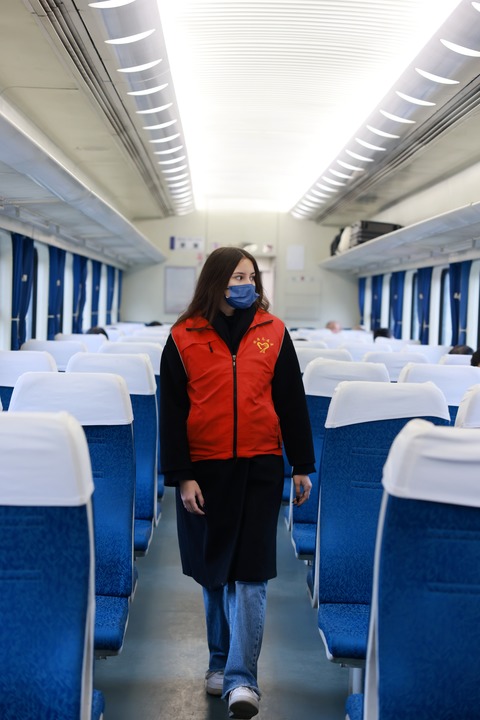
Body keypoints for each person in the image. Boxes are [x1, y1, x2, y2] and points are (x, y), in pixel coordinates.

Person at [159, 246, 314, 719]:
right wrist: (182, 476)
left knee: (251, 574)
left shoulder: (274, 332)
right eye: (236, 277)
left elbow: (291, 399)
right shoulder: (183, 336)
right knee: (214, 572)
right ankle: (219, 659)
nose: (245, 285)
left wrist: (301, 464)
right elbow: (173, 413)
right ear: (216, 282)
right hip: (205, 471)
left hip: (260, 465)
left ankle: (242, 679)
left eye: (250, 277)